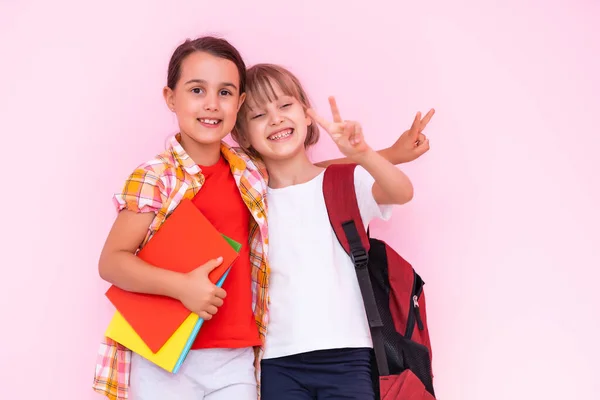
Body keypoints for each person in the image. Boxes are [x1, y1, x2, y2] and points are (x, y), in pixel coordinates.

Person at [92, 36, 434, 400]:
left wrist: (381, 153)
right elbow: (112, 261)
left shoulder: (248, 175)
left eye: (224, 92)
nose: (211, 103)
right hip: (198, 352)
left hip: (262, 358)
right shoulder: (193, 178)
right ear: (171, 98)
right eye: (196, 90)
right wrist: (182, 287)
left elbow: (310, 173)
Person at [231, 63, 434, 399]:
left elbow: (402, 192)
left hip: (349, 354)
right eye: (258, 115)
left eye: (285, 105)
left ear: (308, 115)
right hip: (275, 360)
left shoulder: (343, 181)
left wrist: (363, 154)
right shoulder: (249, 198)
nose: (276, 119)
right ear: (242, 136)